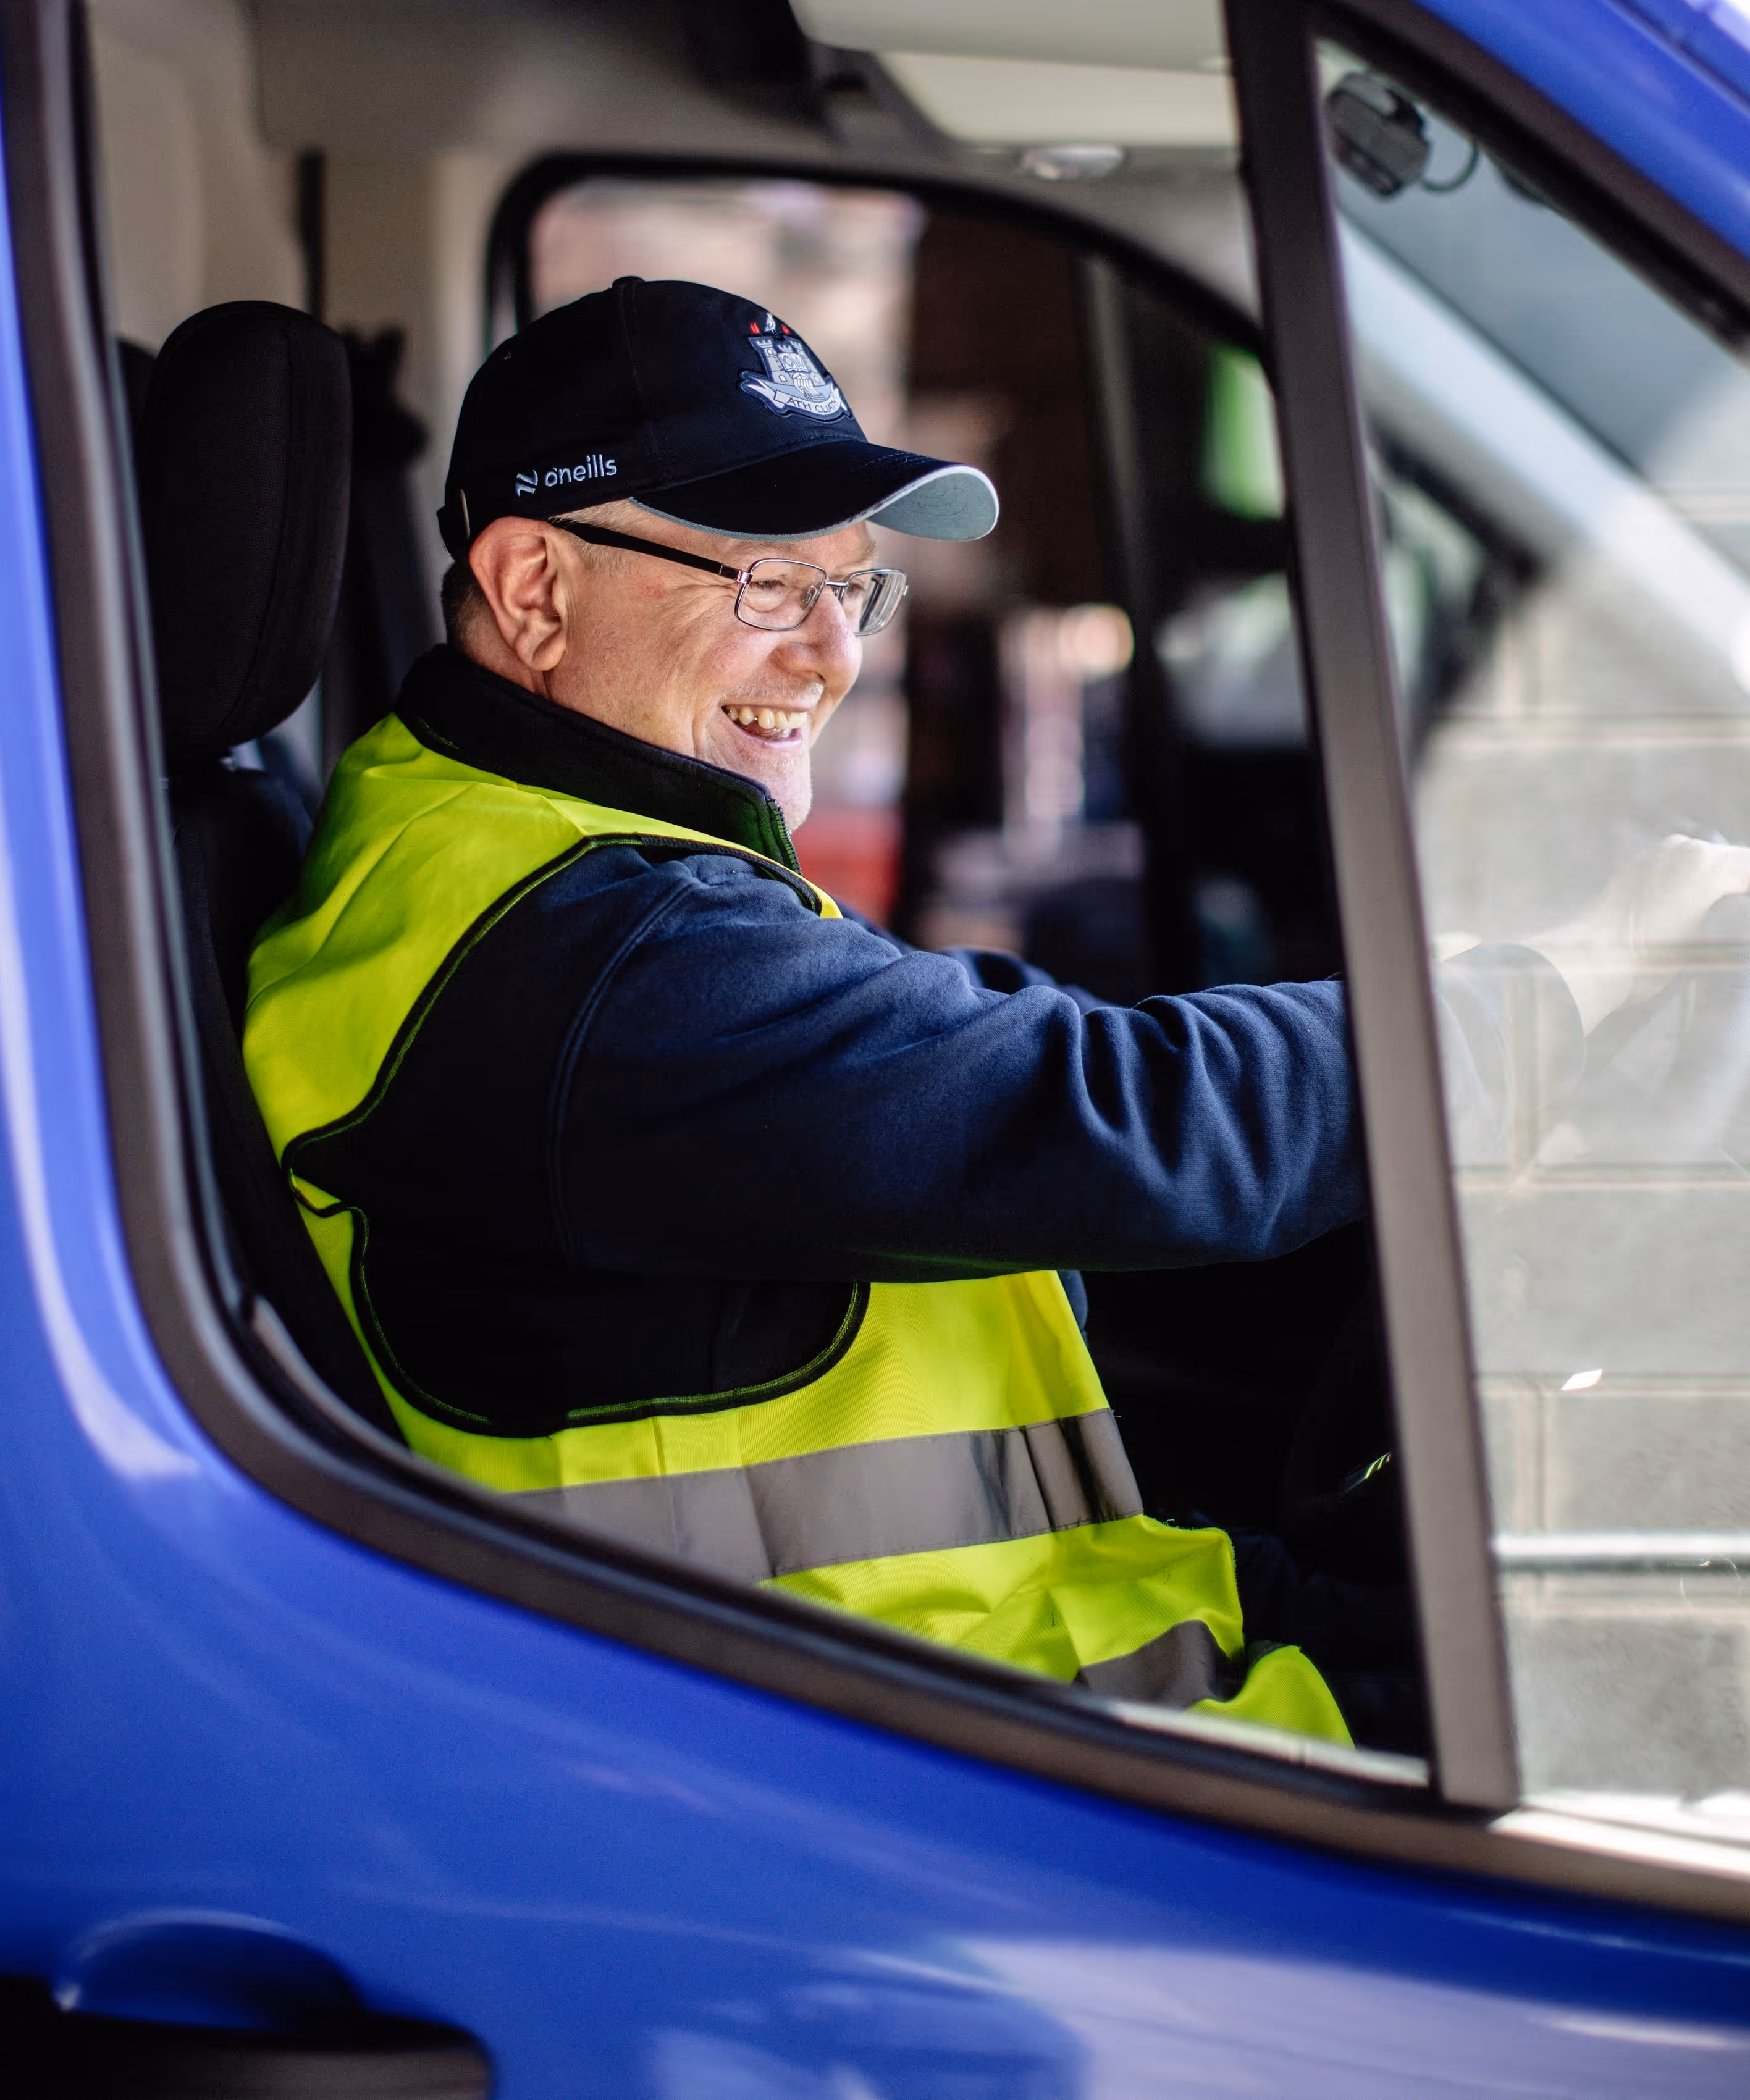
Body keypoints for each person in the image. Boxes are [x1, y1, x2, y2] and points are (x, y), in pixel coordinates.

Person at [243, 275, 1750, 1751]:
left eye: (850, 586)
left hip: (998, 1662)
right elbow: (1121, 1117)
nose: (831, 651)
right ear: (531, 587)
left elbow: (996, 1071)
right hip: (880, 1761)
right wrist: (1558, 989)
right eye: (764, 582)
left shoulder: (532, 854)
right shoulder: (588, 952)